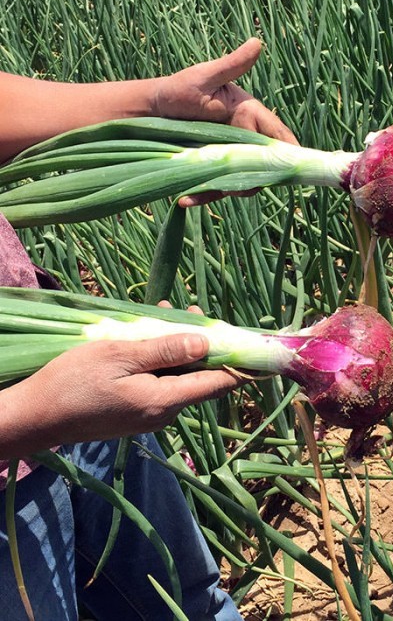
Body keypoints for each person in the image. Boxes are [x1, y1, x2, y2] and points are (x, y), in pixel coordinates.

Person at [0, 38, 297, 620]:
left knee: (190, 605)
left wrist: (154, 102)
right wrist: (31, 414)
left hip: (69, 356)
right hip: (48, 406)